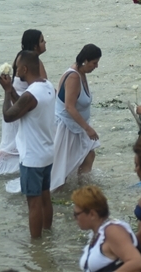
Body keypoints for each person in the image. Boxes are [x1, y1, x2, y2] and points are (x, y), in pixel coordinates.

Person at [0, 50, 56, 238]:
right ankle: (48, 232)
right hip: (47, 152)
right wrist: (12, 91)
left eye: (17, 68)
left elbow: (8, 116)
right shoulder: (47, 86)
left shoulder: (30, 95)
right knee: (46, 197)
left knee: (33, 203)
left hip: (32, 158)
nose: (16, 71)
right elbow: (25, 106)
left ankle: (36, 244)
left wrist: (7, 91)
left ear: (24, 68)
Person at [0, 30, 47, 178]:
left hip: (16, 105)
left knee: (12, 145)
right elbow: (42, 87)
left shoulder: (20, 57)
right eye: (42, 41)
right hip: (20, 109)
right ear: (35, 46)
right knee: (18, 146)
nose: (45, 43)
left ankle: (6, 173)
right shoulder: (35, 63)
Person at [50, 44, 102, 191]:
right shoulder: (73, 76)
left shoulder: (82, 73)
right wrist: (88, 129)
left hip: (79, 126)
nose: (96, 66)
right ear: (85, 61)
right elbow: (69, 107)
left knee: (89, 154)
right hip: (67, 128)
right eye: (94, 63)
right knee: (62, 169)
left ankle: (83, 188)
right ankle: (62, 193)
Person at [73, 185, 141, 272]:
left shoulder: (113, 231)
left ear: (92, 214)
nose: (74, 218)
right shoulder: (98, 233)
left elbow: (137, 262)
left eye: (76, 214)